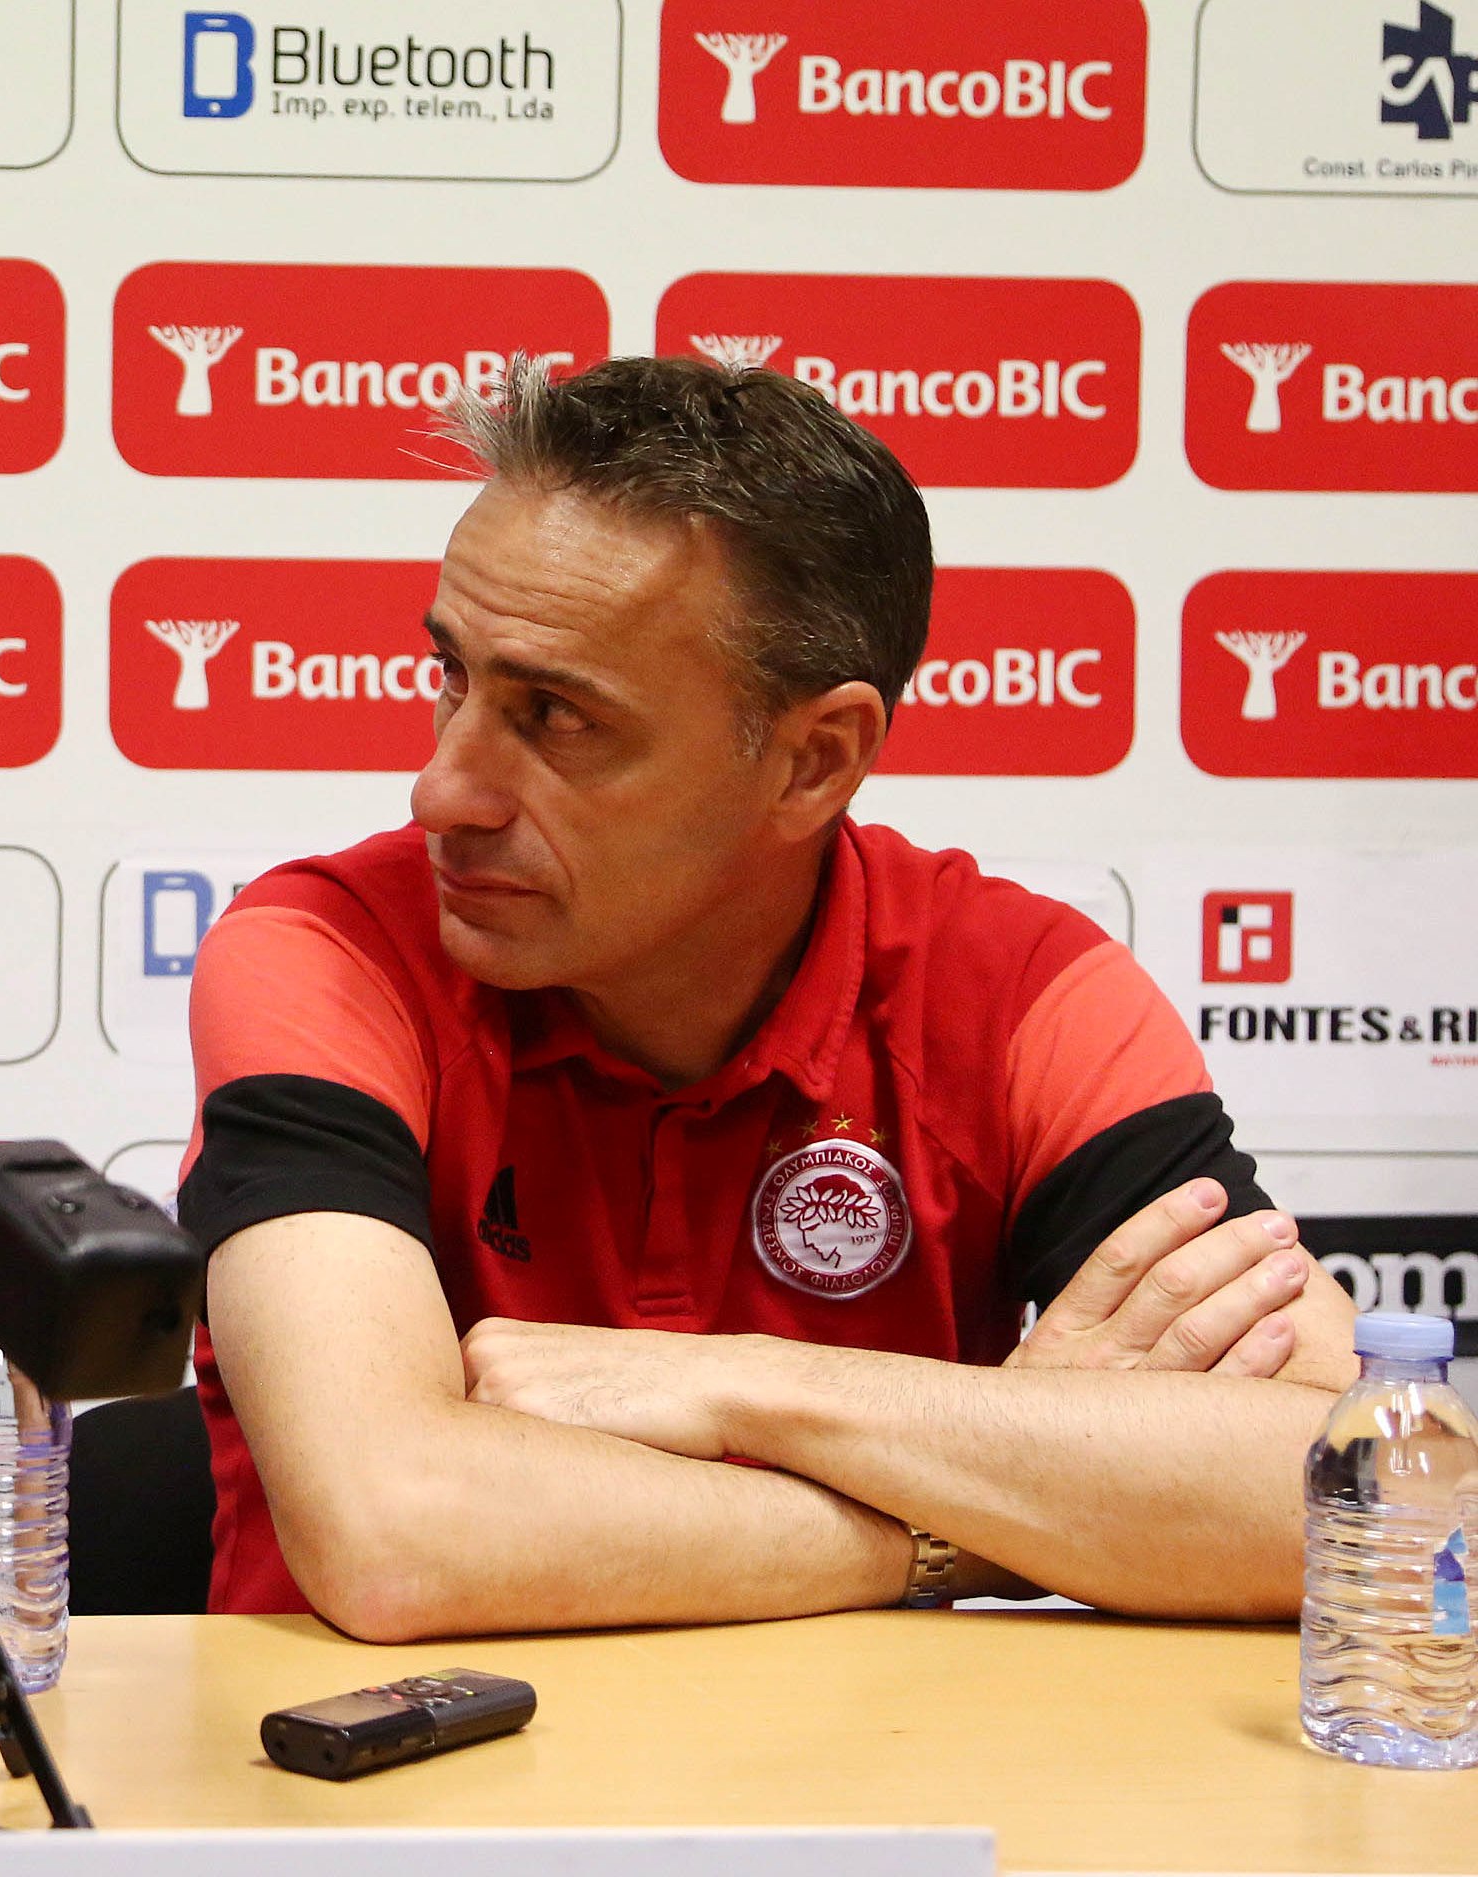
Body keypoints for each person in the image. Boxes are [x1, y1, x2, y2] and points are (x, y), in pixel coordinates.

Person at [187, 355, 1356, 1638]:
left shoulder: (1023, 993)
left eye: (557, 716)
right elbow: (397, 1532)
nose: (441, 791)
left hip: (882, 1755)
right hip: (387, 1755)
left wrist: (746, 1388)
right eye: (453, 674)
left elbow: (1357, 1497)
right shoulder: (328, 949)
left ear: (815, 759)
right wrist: (977, 1514)